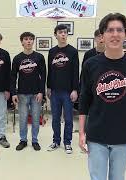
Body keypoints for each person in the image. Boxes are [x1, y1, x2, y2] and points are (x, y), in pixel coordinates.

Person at [78, 13, 126, 180]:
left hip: (123, 137)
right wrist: (81, 132)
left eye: (119, 30)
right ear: (102, 36)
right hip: (96, 136)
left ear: (125, 34)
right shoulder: (90, 65)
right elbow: (84, 101)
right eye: (110, 30)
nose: (115, 34)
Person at [10, 32, 46, 151]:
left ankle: (35, 140)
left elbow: (43, 75)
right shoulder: (17, 58)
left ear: (33, 41)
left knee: (36, 119)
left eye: (31, 39)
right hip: (22, 94)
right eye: (26, 39)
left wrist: (42, 92)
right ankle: (23, 140)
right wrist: (13, 93)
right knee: (23, 119)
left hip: (36, 93)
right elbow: (13, 77)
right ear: (22, 42)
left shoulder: (39, 57)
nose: (29, 41)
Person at [47, 24, 79, 154]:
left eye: (65, 32)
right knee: (55, 118)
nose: (63, 34)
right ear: (55, 35)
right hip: (54, 91)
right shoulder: (52, 52)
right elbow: (50, 71)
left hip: (68, 92)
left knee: (69, 119)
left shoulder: (73, 51)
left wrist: (75, 90)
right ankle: (56, 141)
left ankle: (67, 142)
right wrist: (48, 87)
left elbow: (76, 72)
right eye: (60, 32)